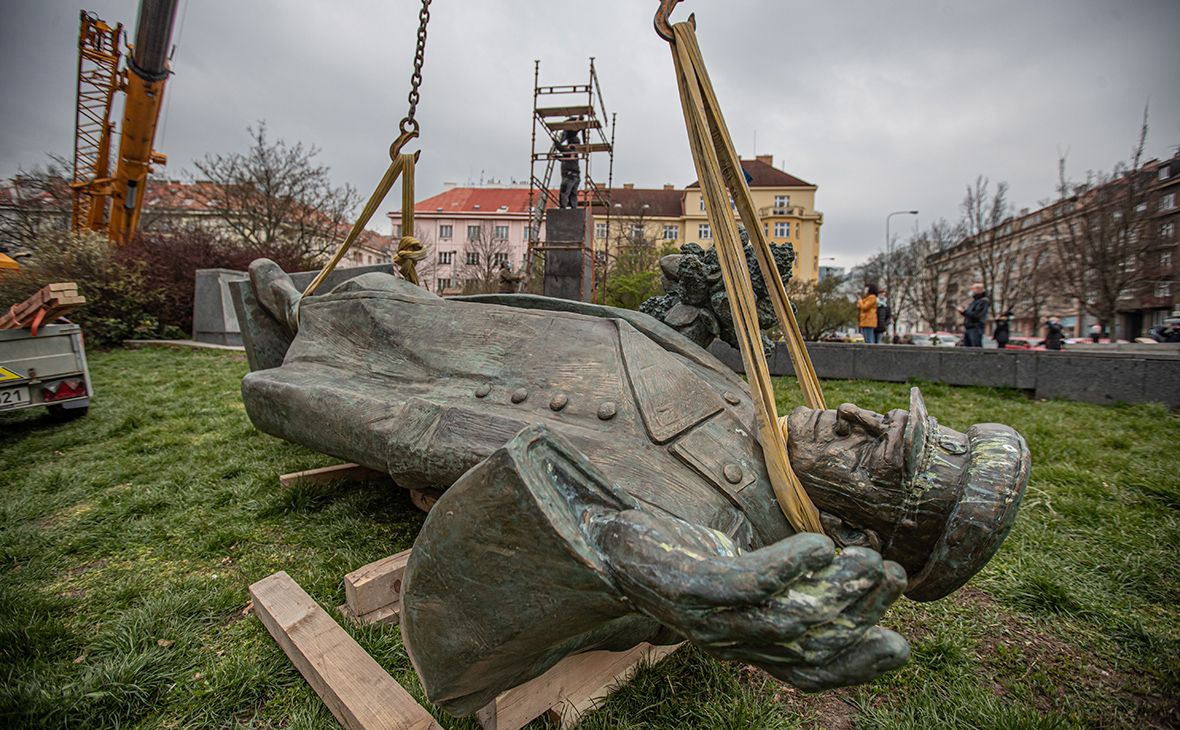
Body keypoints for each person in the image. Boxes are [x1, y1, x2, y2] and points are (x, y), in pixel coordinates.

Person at [241, 260, 1029, 716]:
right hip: (472, 333)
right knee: (380, 306)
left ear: (859, 531)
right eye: (880, 419)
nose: (852, 415)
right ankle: (297, 304)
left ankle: (291, 312)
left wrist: (651, 570)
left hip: (440, 391)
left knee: (340, 349)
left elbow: (551, 558)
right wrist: (696, 306)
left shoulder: (717, 524)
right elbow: (651, 354)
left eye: (876, 454)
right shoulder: (765, 424)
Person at [956, 283, 990, 348]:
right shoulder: (974, 301)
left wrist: (964, 312)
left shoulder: (983, 301)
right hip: (969, 327)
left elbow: (978, 315)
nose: (971, 290)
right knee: (967, 348)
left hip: (976, 327)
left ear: (979, 290)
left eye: (972, 289)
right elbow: (970, 314)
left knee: (975, 347)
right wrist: (963, 312)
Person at [556, 124, 582, 209]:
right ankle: (573, 209)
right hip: (576, 176)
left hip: (569, 175)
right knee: (573, 194)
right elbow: (564, 158)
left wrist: (556, 142)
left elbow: (561, 148)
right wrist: (557, 157)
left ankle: (562, 208)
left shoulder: (569, 151)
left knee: (564, 191)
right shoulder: (575, 154)